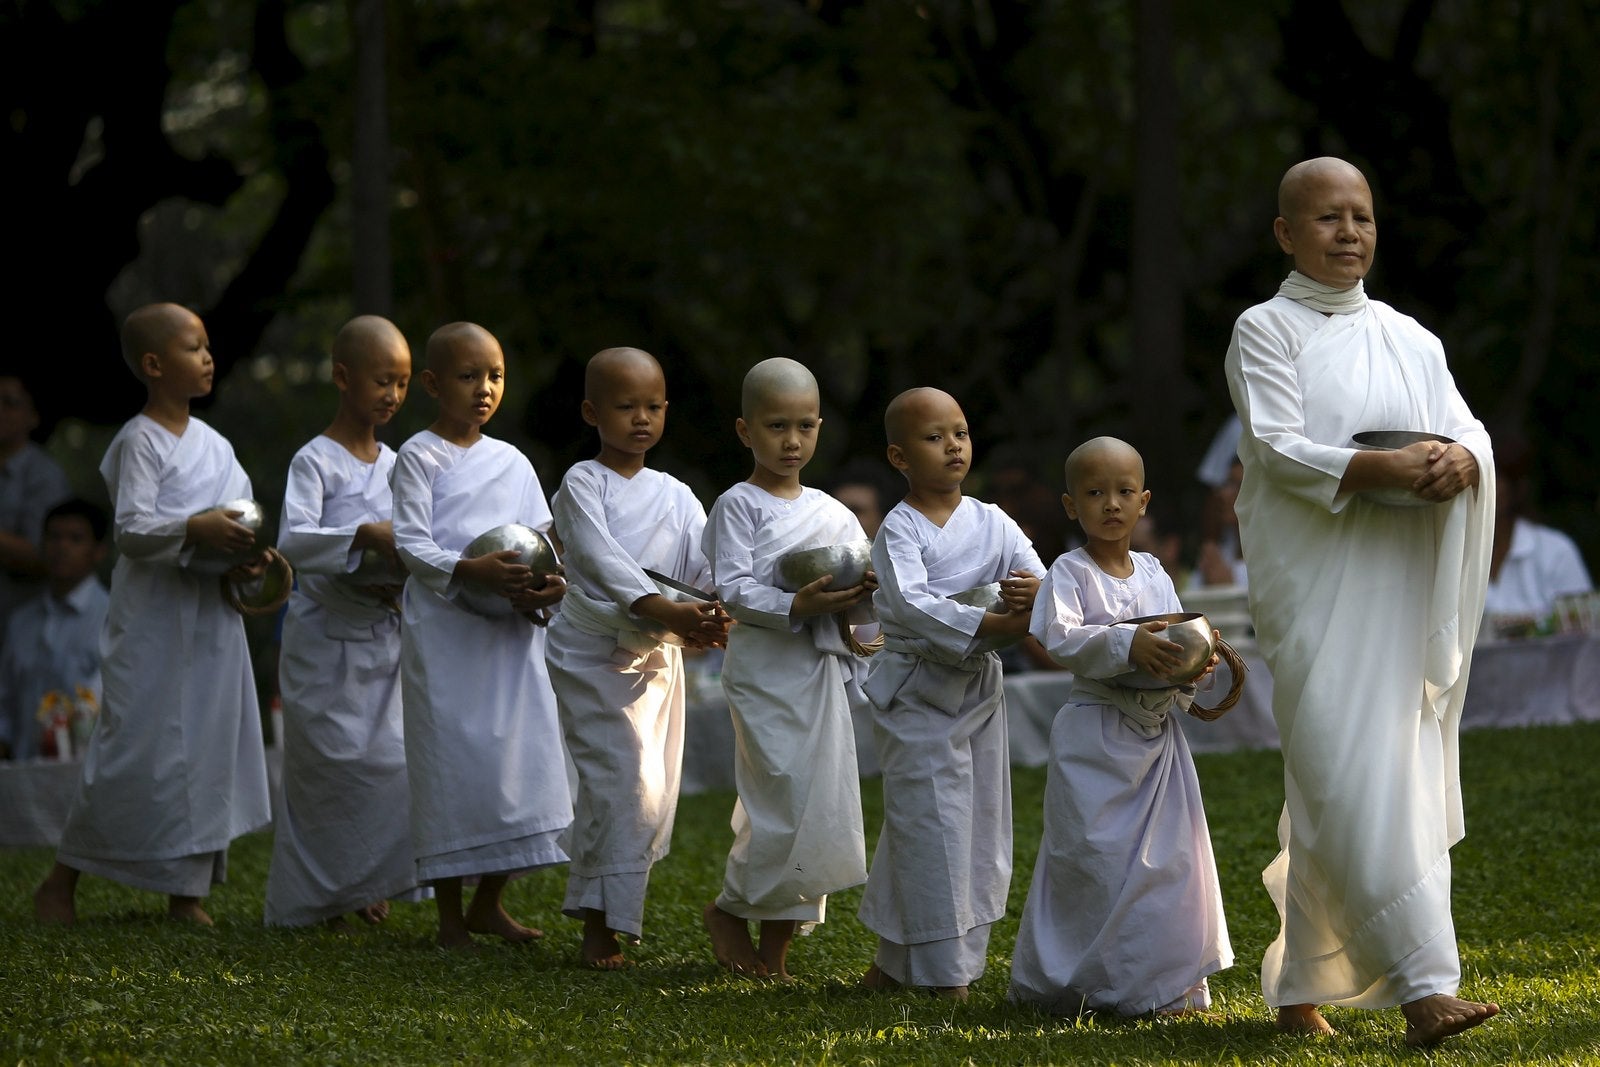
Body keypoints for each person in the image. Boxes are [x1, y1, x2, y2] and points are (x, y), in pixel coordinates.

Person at [1225, 157, 1499, 1046]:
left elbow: (1468, 427)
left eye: (1363, 217)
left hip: (1401, 573)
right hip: (1315, 581)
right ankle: (1425, 990)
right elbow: (1273, 446)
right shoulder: (1264, 329)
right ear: (1285, 234)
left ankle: (1303, 981)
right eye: (1328, 218)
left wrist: (1465, 460)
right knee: (1344, 766)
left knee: (1365, 775)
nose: (1349, 232)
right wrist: (1379, 467)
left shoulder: (1412, 337)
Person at [34, 303, 272, 925]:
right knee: (131, 747)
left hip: (212, 620)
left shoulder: (216, 446)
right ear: (153, 365)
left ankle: (185, 894)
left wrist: (246, 558)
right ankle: (62, 879)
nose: (209, 357)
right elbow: (135, 530)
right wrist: (197, 527)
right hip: (155, 621)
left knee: (205, 748)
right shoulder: (137, 442)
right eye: (194, 348)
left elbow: (242, 519)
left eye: (208, 346)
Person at [1008, 436, 1231, 1016]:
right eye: (1095, 492)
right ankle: (1084, 981)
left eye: (1124, 492)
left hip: (1156, 741)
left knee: (1171, 859)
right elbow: (1059, 638)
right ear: (1069, 505)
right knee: (1094, 859)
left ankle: (1161, 982)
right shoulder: (1068, 572)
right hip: (1096, 733)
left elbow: (1180, 634)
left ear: (1144, 501)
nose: (1111, 503)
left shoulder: (1155, 571)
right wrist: (1127, 642)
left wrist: (1194, 665)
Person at [855, 387, 1042, 1000]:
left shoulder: (993, 520)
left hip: (979, 691)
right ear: (899, 456)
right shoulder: (898, 530)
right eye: (934, 438)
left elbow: (1037, 579)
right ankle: (944, 978)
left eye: (959, 432)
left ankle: (891, 965)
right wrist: (999, 624)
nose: (953, 446)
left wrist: (1030, 604)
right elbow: (911, 603)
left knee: (975, 827)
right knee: (933, 825)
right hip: (916, 693)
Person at [545, 347, 728, 969]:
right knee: (623, 782)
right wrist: (660, 607)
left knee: (648, 789)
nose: (641, 418)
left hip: (656, 654)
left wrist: (709, 612)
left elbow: (702, 566)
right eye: (625, 406)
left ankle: (603, 914)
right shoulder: (581, 482)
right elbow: (596, 557)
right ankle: (602, 929)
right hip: (593, 651)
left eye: (652, 406)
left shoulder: (676, 494)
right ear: (593, 412)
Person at [391, 321, 572, 950]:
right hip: (445, 630)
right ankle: (447, 916)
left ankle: (488, 902)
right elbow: (411, 544)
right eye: (468, 377)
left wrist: (551, 586)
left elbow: (545, 541)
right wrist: (468, 570)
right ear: (433, 385)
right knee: (451, 764)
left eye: (494, 376)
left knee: (514, 763)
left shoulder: (513, 460)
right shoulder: (418, 455)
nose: (484, 389)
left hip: (510, 632)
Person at [700, 356, 875, 980]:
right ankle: (728, 910)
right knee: (777, 797)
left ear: (820, 428)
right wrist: (795, 603)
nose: (792, 440)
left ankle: (775, 951)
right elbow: (733, 589)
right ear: (746, 431)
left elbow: (863, 593)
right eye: (776, 426)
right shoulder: (737, 505)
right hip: (764, 668)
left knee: (818, 806)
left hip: (818, 670)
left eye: (804, 425)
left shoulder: (833, 514)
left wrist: (863, 603)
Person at [264, 315, 426, 929]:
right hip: (323, 638)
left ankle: (363, 879)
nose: (392, 395)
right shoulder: (315, 460)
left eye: (404, 383)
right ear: (342, 377)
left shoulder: (400, 462)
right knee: (326, 766)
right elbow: (295, 542)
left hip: (385, 633)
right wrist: (363, 533)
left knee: (388, 762)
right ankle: (317, 897)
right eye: (382, 380)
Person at [0, 499, 110, 761]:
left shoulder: (115, 618)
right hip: (21, 777)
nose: (62, 547)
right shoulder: (21, 622)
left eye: (75, 539)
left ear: (99, 551)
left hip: (87, 780)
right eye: (54, 537)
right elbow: (4, 700)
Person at [1483, 436, 1592, 624]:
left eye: (1494, 476)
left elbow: (1584, 629)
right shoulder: (1452, 553)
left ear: (1516, 488)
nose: (1483, 486)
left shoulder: (1556, 551)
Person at [0, 375, 73, 650]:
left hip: (18, 629)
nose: (0, 410)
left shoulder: (44, 476)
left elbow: (46, 555)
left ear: (33, 417)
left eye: (10, 403)